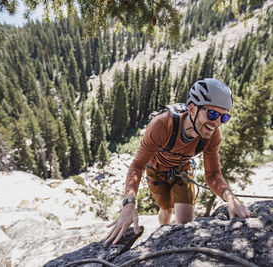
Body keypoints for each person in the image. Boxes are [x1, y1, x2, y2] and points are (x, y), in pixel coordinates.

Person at [105, 78, 251, 245]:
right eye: (212, 114)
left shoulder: (213, 135)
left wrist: (230, 198)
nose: (217, 123)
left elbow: (213, 174)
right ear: (192, 108)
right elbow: (137, 165)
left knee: (185, 226)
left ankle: (168, 242)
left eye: (224, 118)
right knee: (166, 210)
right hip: (156, 171)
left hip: (183, 170)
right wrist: (129, 204)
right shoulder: (162, 124)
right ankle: (164, 234)